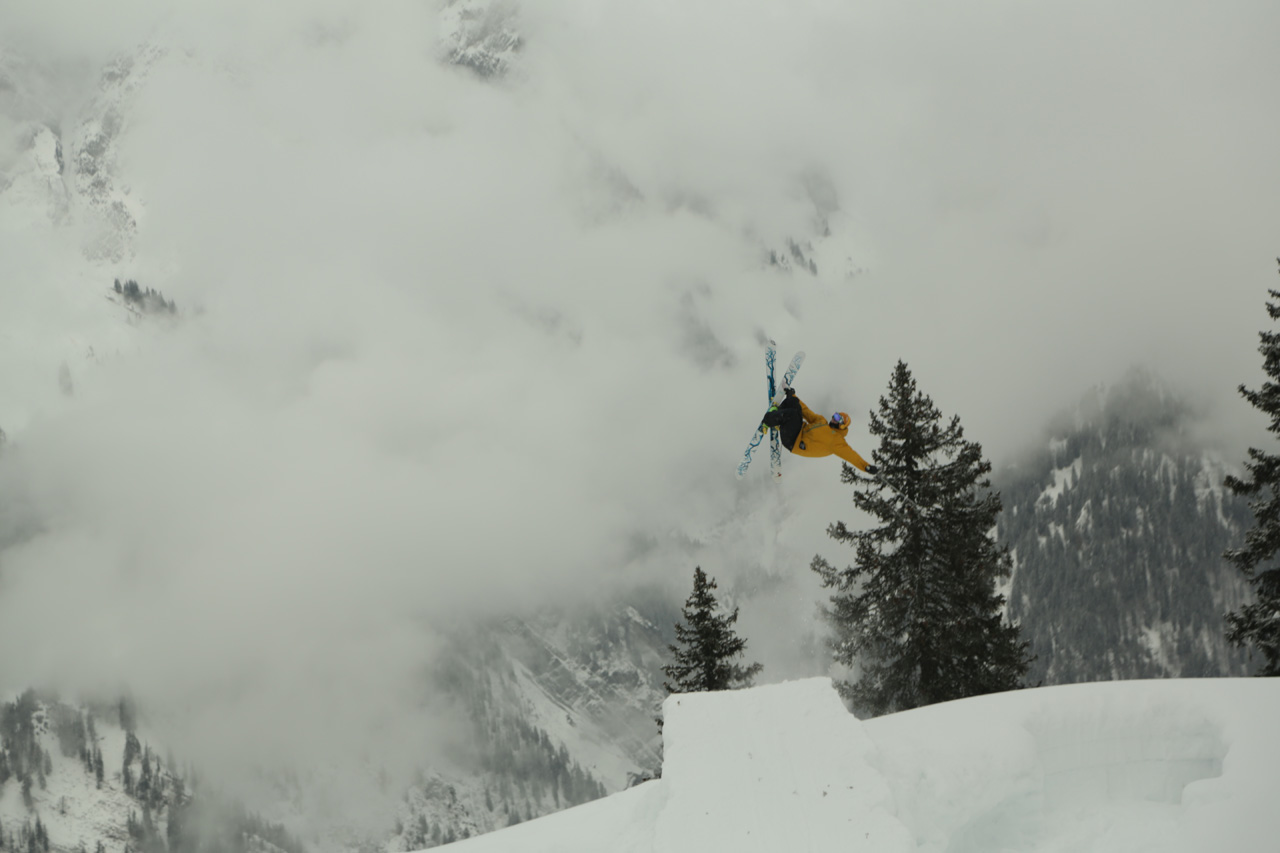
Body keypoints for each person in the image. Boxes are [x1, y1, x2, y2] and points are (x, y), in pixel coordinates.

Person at [761, 388, 878, 474]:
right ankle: (777, 415)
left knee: (792, 414)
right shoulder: (822, 422)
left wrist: (865, 466)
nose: (833, 418)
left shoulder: (837, 441)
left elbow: (851, 456)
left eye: (838, 418)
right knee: (794, 403)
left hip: (794, 442)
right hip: (796, 429)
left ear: (842, 426)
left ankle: (768, 420)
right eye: (835, 415)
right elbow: (806, 411)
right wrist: (793, 396)